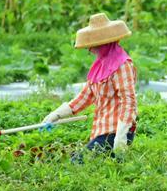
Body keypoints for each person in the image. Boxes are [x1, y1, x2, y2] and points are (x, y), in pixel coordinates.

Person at [43, 13, 137, 161]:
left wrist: (121, 137)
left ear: (104, 43)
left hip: (116, 132)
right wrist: (56, 115)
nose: (90, 50)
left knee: (78, 162)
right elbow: (85, 96)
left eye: (93, 45)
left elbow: (128, 101)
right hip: (102, 131)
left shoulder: (122, 65)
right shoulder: (100, 65)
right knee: (76, 159)